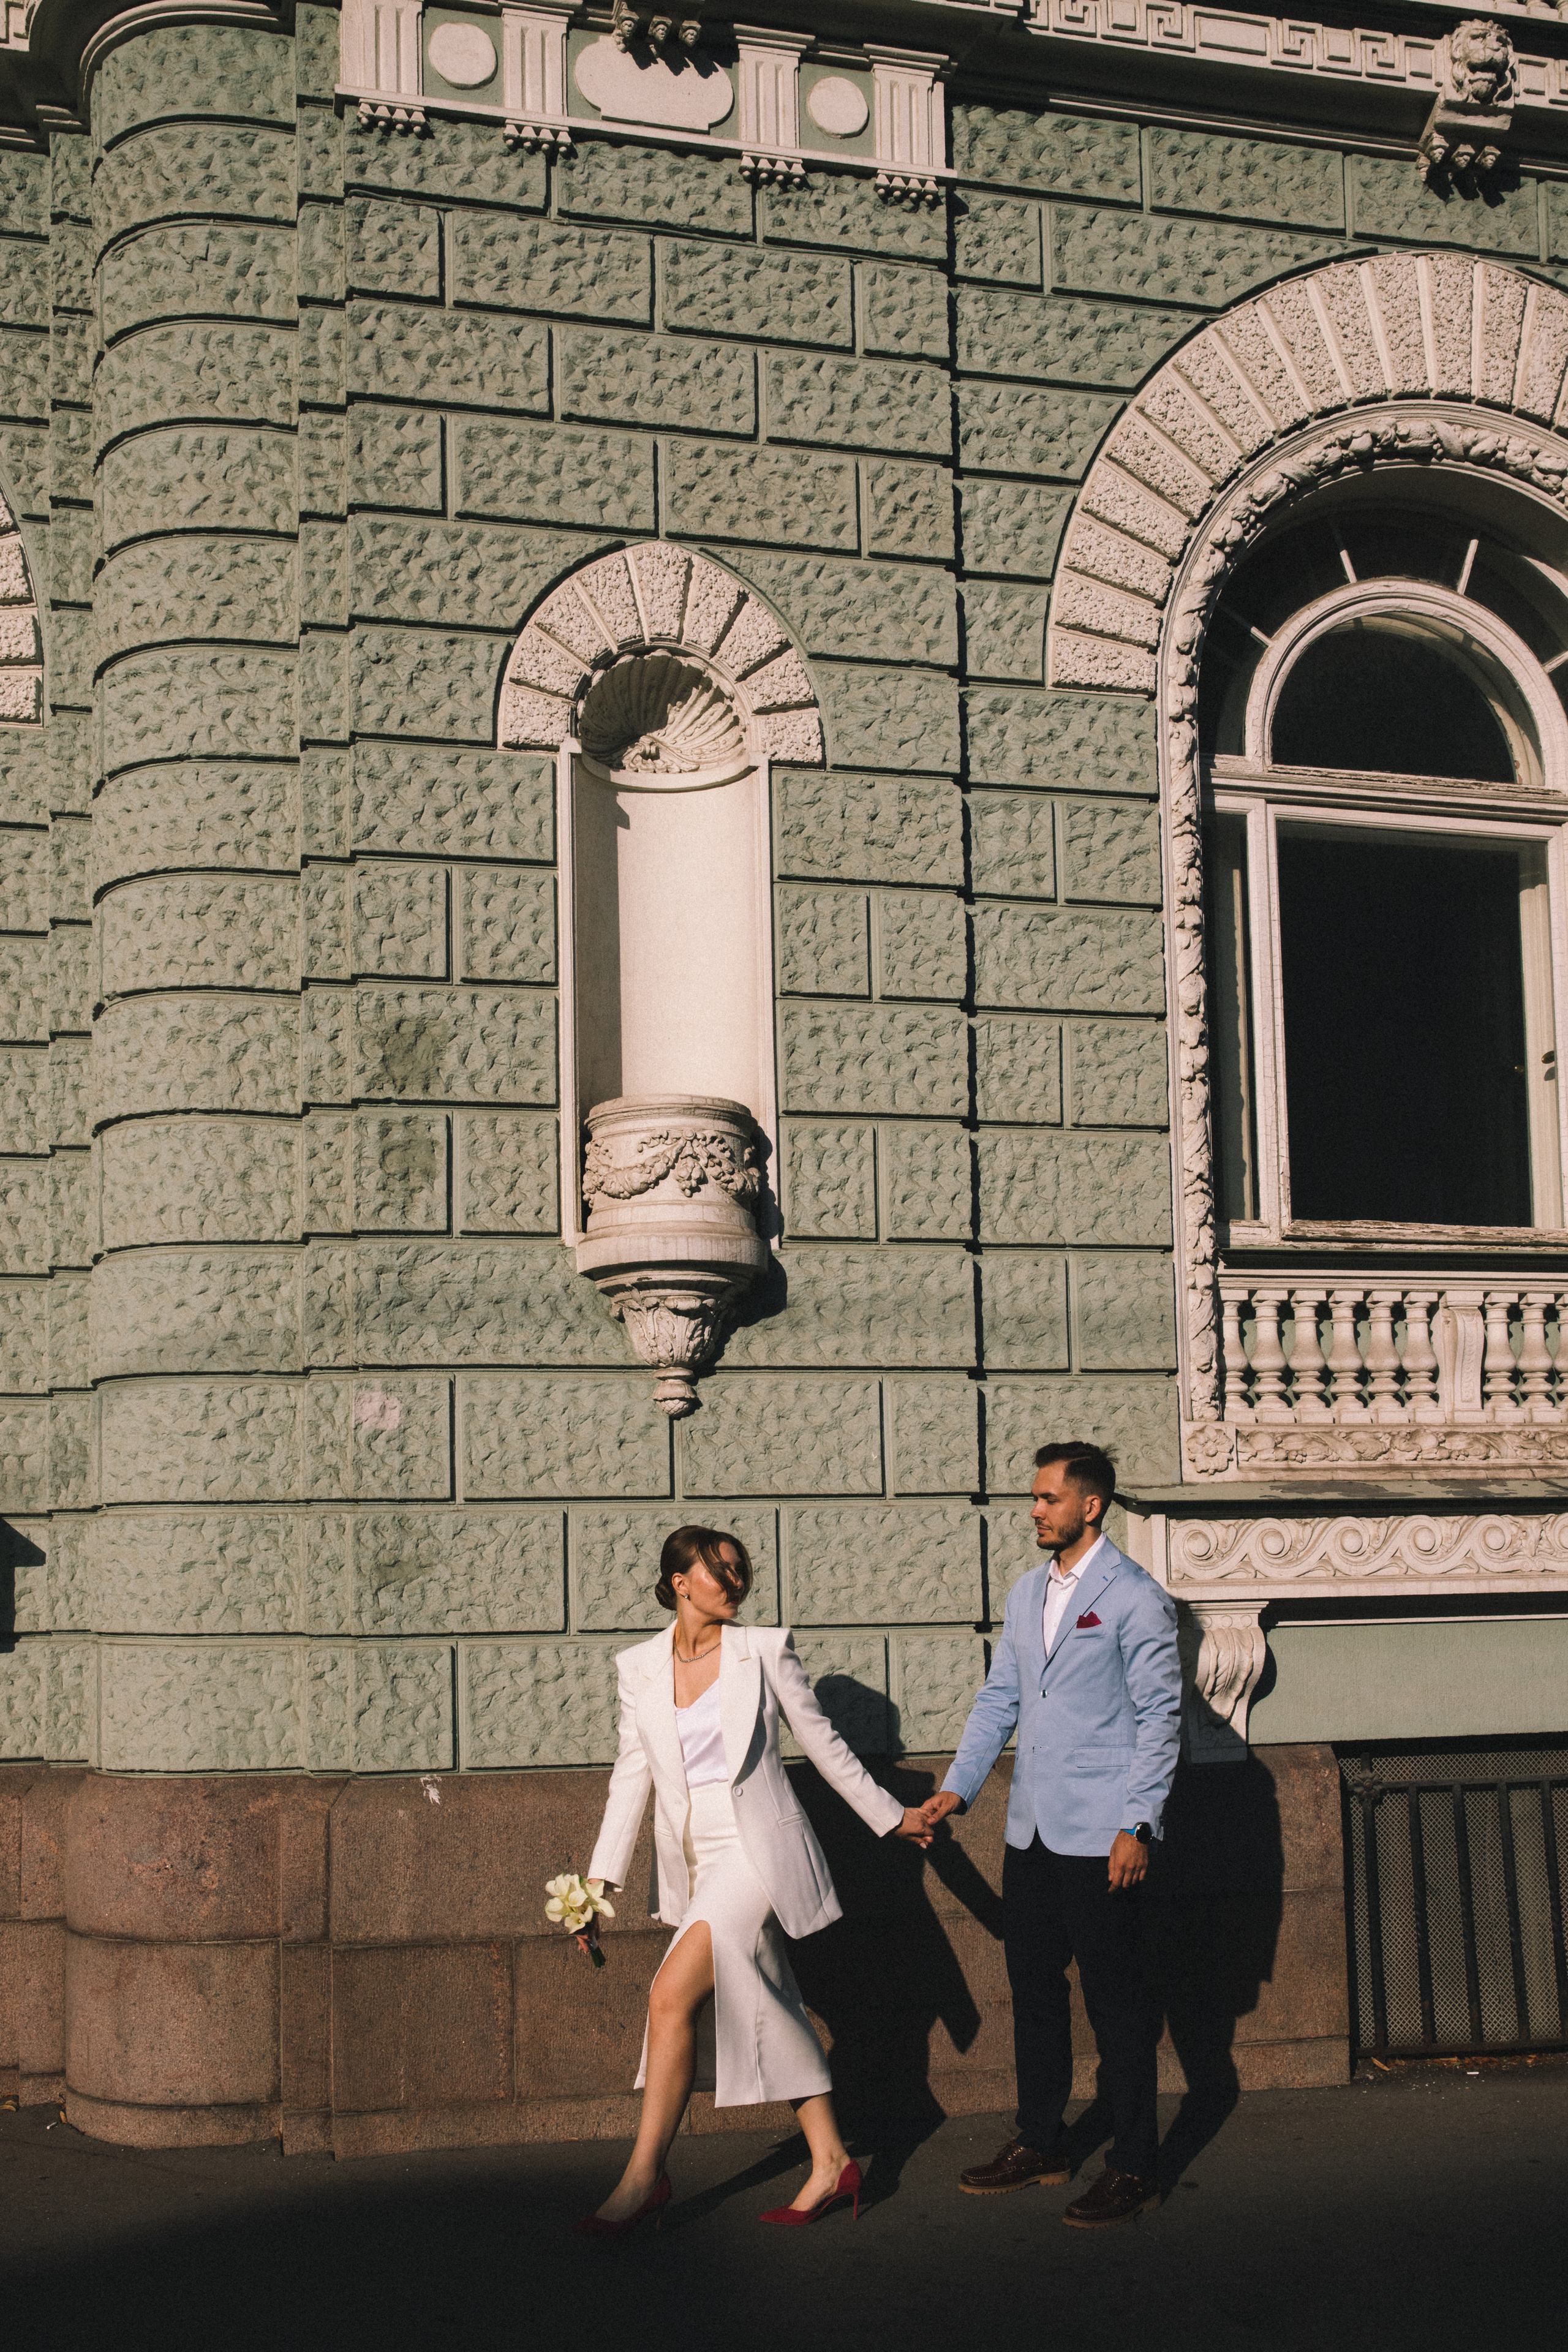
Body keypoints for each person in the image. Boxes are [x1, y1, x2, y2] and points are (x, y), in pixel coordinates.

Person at [573, 1524, 940, 2237]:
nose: (735, 1582)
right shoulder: (638, 1666)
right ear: (679, 1582)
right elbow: (632, 1778)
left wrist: (891, 1816)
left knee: (669, 1996)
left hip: (757, 1852)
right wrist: (598, 1884)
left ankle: (644, 2177)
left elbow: (823, 1745)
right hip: (696, 1858)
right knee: (774, 2003)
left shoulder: (764, 1650)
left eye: (741, 1570)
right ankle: (833, 2161)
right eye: (719, 1571)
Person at [924, 1440, 1182, 2228]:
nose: (1033, 1510)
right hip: (1032, 1830)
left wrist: (1138, 1824)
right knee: (1035, 1991)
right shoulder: (1028, 1590)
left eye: (1046, 1499)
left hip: (1103, 1835)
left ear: (1089, 1505)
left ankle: (1135, 2164)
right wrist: (956, 1789)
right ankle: (1041, 2141)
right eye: (1033, 1499)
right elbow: (1000, 1697)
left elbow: (1161, 1720)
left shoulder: (1136, 1598)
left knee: (1117, 2004)